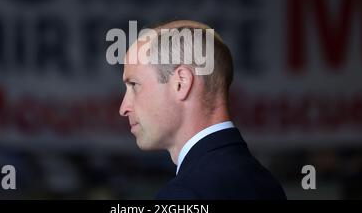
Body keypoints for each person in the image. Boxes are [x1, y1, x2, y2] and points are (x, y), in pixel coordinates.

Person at [119, 20, 286, 199]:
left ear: (181, 83)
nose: (123, 108)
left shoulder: (184, 195)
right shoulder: (267, 184)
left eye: (134, 85)